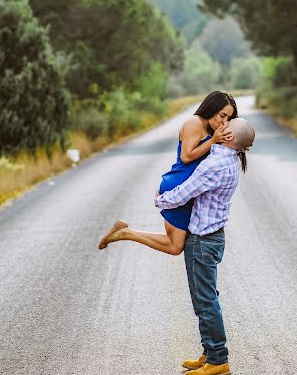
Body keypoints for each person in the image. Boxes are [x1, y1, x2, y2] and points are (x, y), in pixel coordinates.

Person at [155, 117, 255, 375]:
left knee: (205, 302)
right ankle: (210, 351)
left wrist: (159, 199)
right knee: (207, 298)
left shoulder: (216, 164)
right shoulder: (227, 159)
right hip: (212, 238)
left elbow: (183, 193)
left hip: (202, 242)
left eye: (227, 124)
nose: (222, 124)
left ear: (230, 137)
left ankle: (218, 361)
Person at [98, 91, 237, 254]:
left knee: (177, 244)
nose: (224, 121)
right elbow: (186, 157)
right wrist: (213, 141)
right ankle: (126, 233)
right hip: (178, 186)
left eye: (228, 118)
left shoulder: (212, 130)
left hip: (189, 190)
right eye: (222, 115)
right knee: (175, 246)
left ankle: (125, 232)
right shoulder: (195, 123)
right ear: (212, 108)